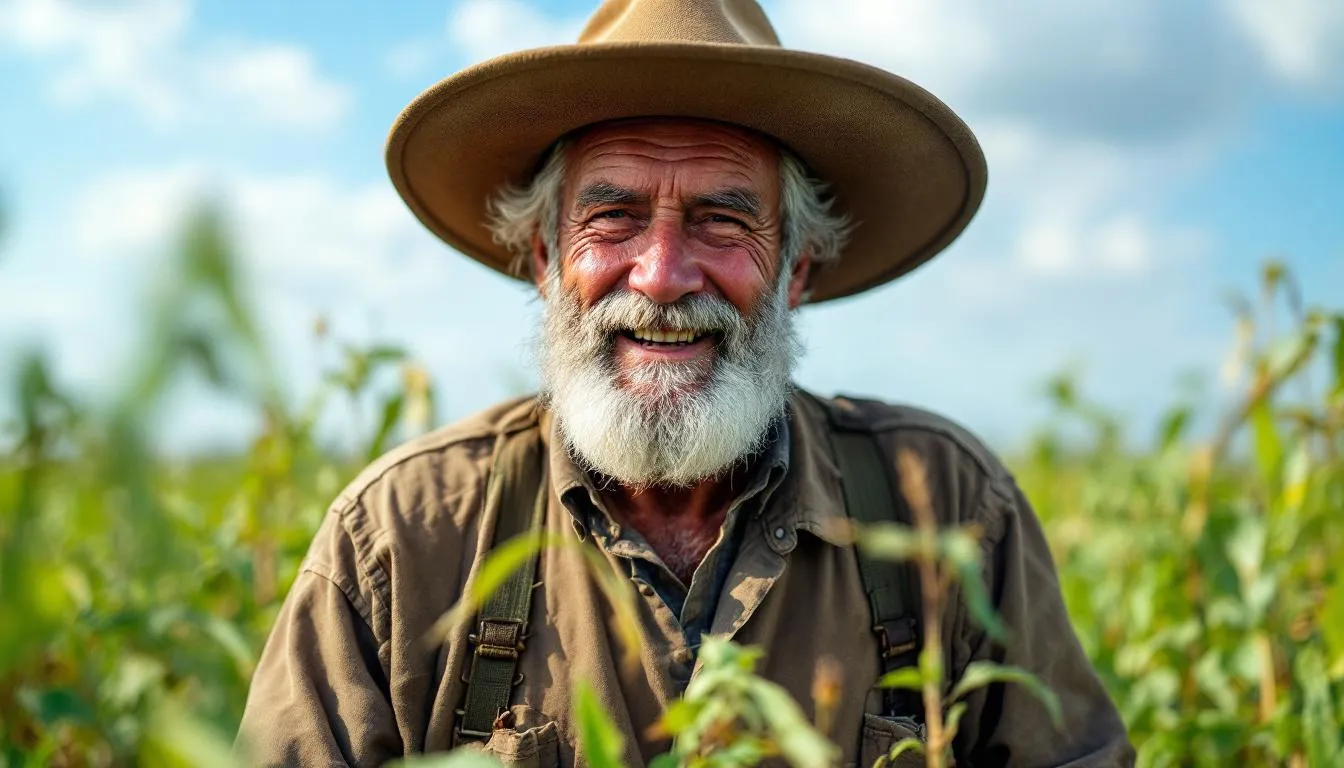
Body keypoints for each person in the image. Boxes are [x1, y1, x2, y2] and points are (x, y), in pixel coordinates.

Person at [237, 0, 1135, 765]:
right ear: (548, 257)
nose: (662, 274)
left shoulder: (946, 511)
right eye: (614, 216)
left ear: (795, 271)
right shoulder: (401, 540)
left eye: (720, 220)